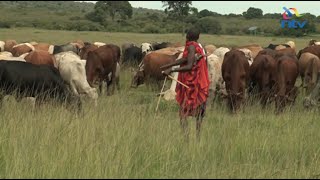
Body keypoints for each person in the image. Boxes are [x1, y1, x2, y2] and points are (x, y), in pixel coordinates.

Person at [160, 28, 210, 141]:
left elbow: (189, 65)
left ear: (187, 36)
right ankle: (197, 137)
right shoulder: (197, 46)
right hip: (197, 80)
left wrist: (172, 69)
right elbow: (185, 59)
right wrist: (168, 66)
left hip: (192, 81)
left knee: (183, 112)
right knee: (198, 111)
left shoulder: (191, 46)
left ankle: (186, 138)